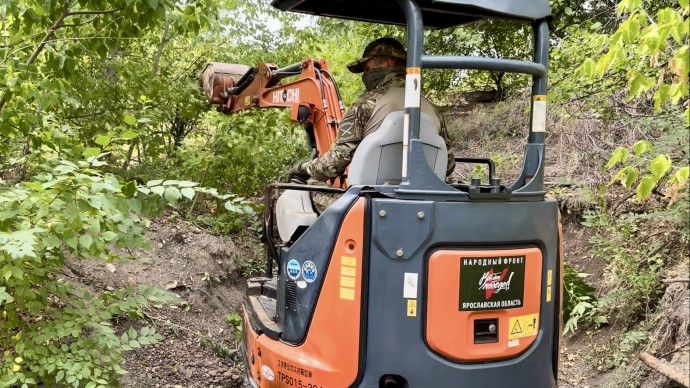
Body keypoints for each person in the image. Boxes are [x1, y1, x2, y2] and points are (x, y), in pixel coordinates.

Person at [290, 37, 455, 209]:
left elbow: (334, 163)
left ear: (389, 62)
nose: (366, 75)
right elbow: (449, 165)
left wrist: (304, 168)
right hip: (423, 205)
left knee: (309, 185)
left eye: (368, 68)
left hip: (368, 207)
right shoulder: (432, 108)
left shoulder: (365, 104)